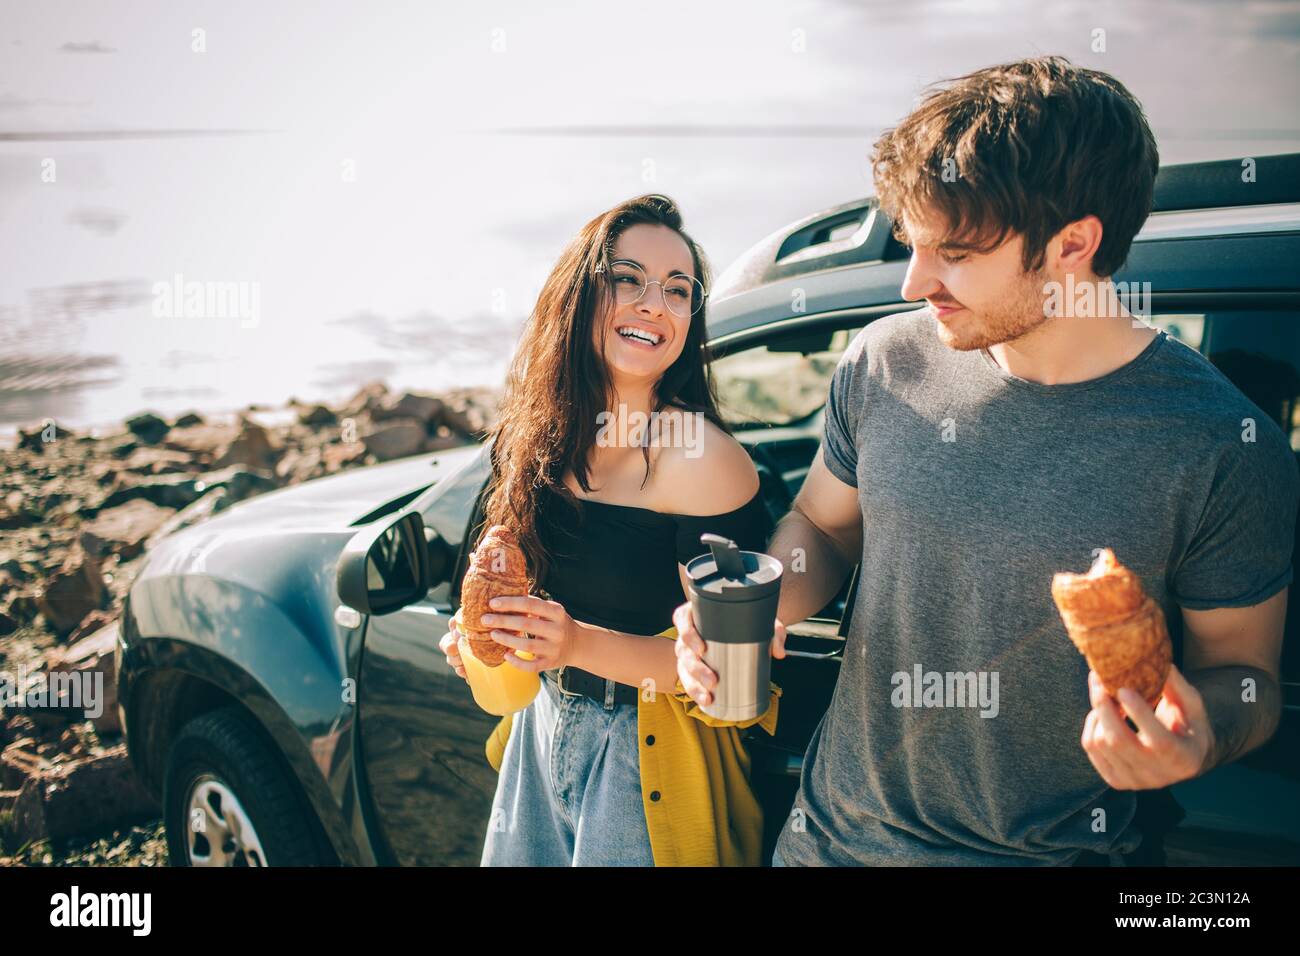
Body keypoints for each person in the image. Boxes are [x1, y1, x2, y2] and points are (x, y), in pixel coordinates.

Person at [674, 56, 1298, 865]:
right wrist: (763, 603)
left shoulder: (1219, 446)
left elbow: (1245, 676)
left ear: (1074, 243)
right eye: (913, 244)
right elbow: (823, 529)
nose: (912, 283)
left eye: (955, 253)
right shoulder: (883, 361)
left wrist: (1195, 737)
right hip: (826, 843)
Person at [438, 193, 779, 866]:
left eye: (678, 291)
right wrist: (485, 638)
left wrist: (572, 642)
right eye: (628, 280)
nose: (655, 303)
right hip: (537, 735)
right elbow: (501, 618)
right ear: (578, 297)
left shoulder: (706, 461)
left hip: (649, 757)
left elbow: (731, 681)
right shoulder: (529, 441)